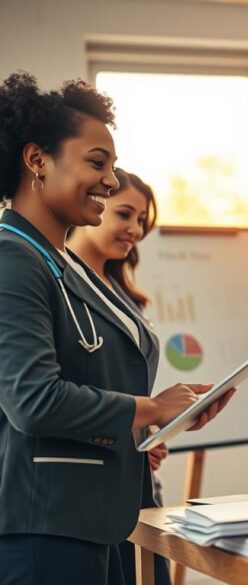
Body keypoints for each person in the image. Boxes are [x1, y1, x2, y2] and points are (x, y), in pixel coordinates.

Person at [0, 72, 233, 585]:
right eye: (97, 162)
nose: (110, 180)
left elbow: (91, 379)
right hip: (46, 528)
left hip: (95, 521)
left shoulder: (65, 264)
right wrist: (152, 407)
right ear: (37, 160)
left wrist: (155, 424)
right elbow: (33, 400)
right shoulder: (12, 258)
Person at [66, 169, 170, 585]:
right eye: (125, 214)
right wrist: (134, 423)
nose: (135, 229)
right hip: (83, 491)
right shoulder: (55, 280)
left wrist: (151, 428)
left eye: (142, 220)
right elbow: (58, 394)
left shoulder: (120, 291)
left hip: (137, 481)